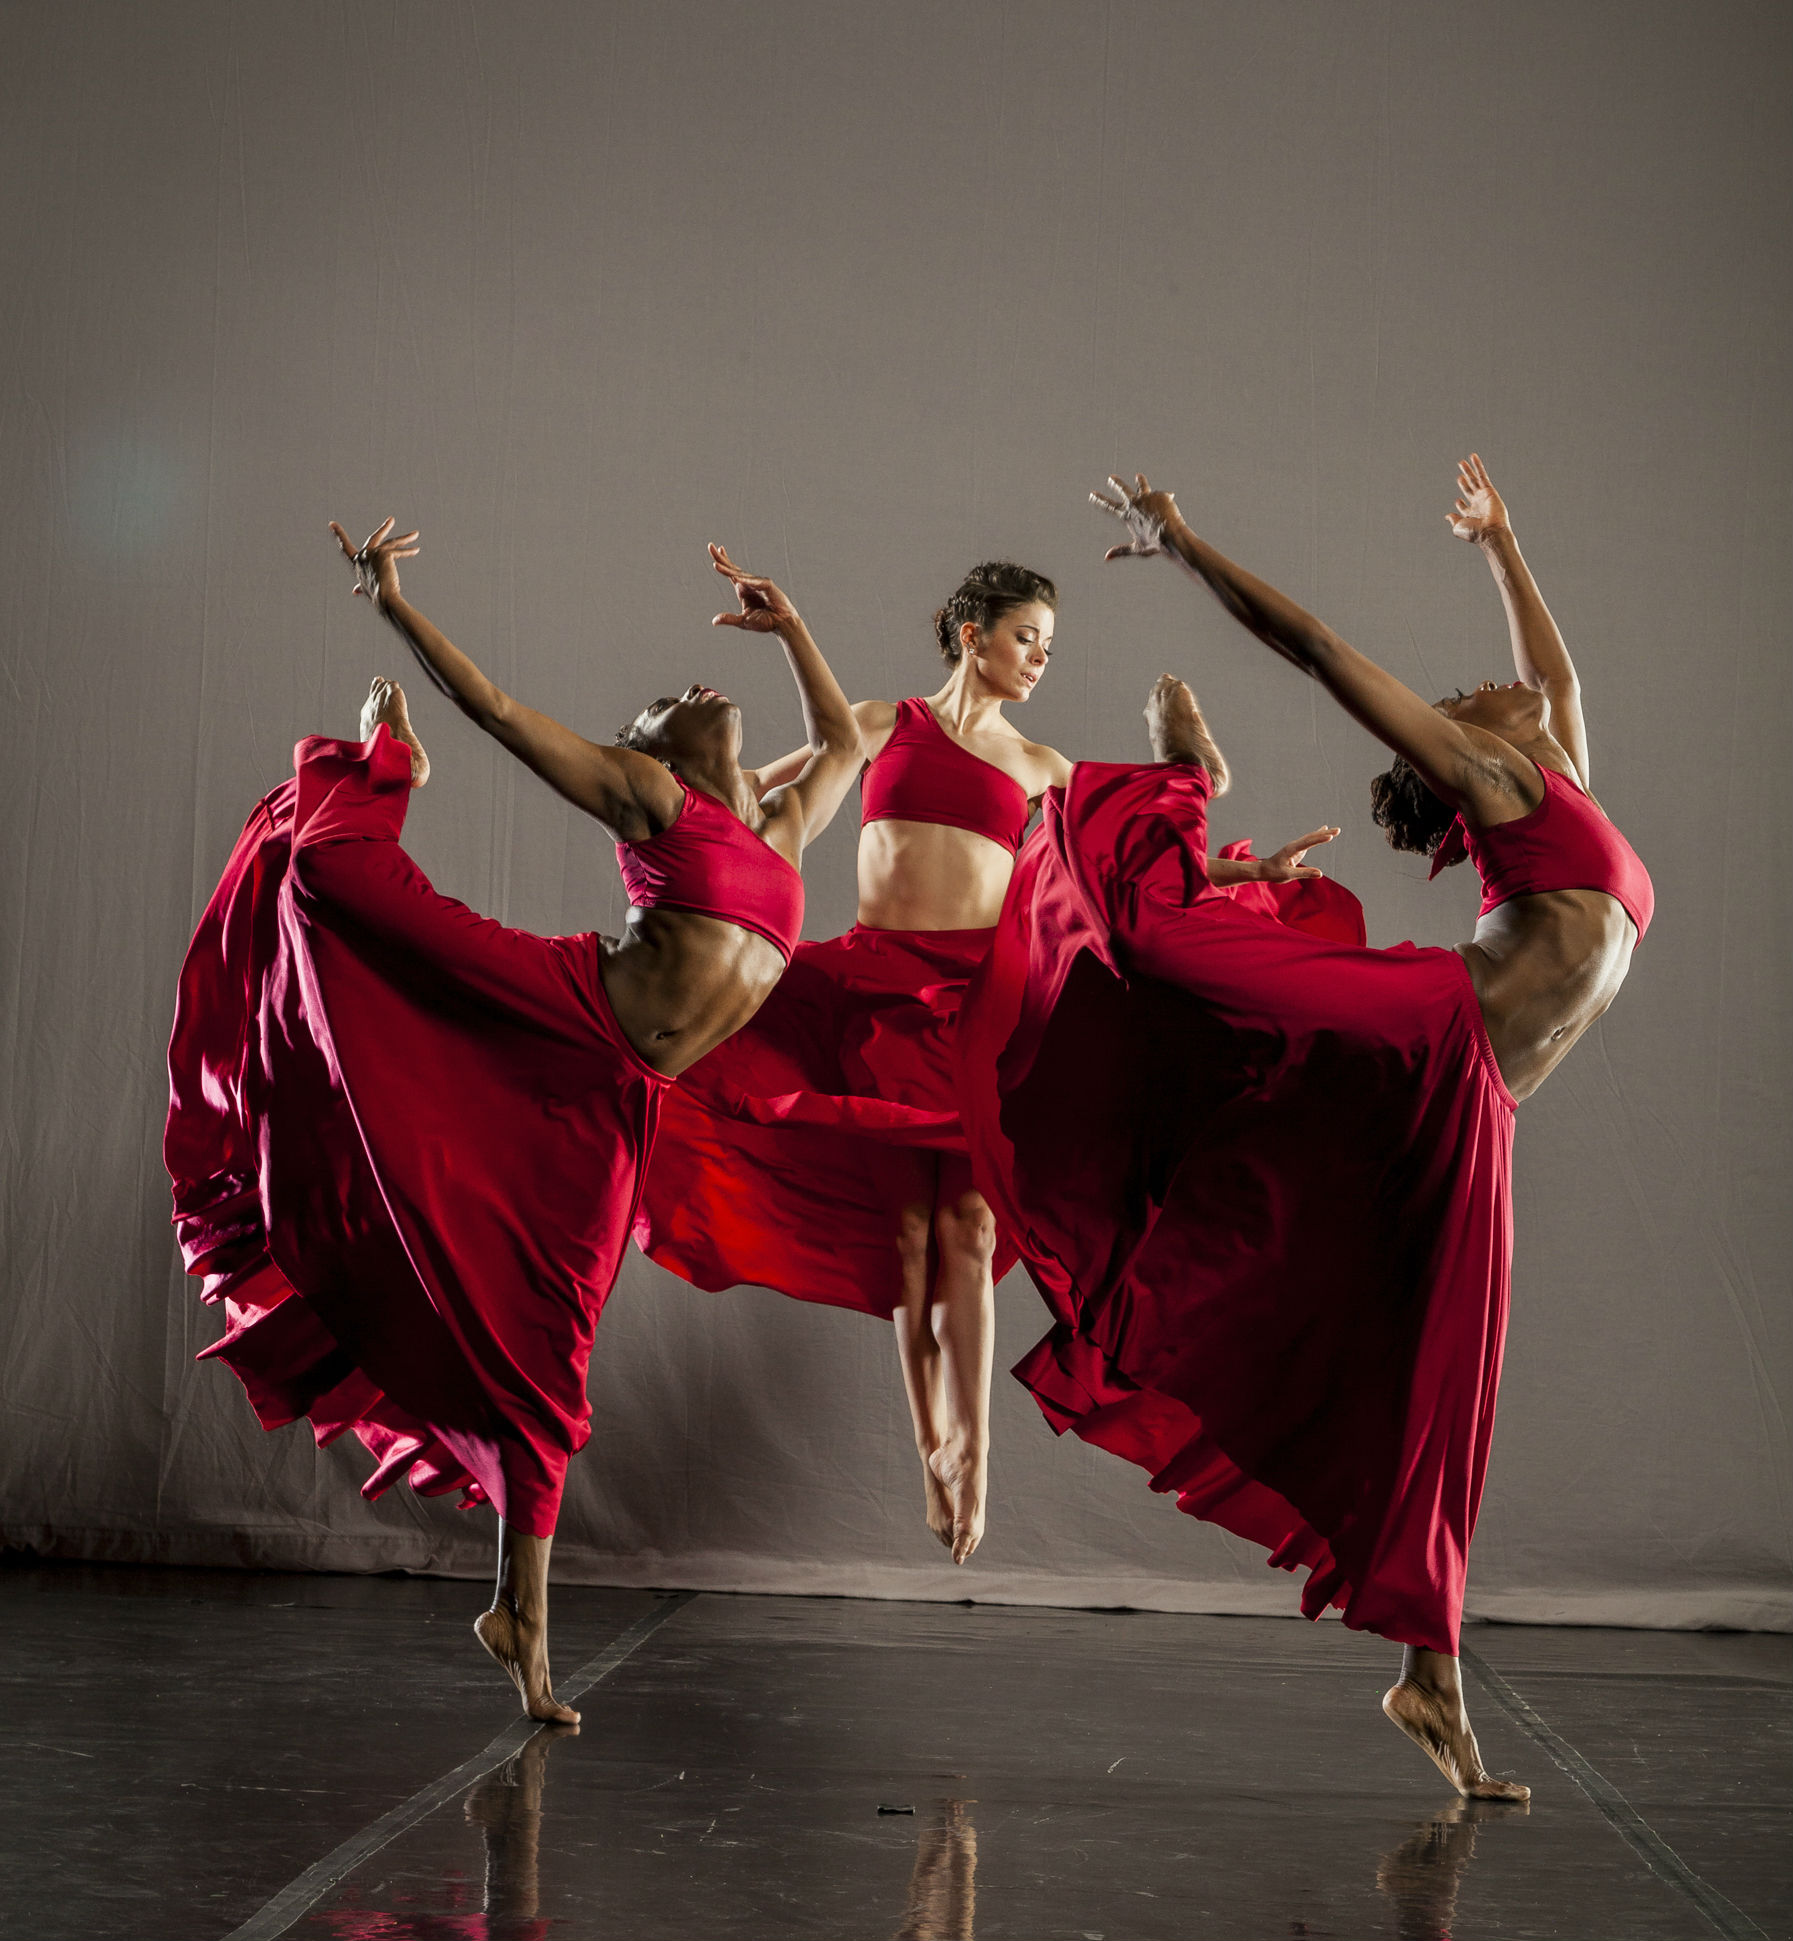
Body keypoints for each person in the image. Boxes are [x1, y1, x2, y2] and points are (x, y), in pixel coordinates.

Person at [956, 457, 1650, 1800]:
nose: (1495, 687)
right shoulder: (1500, 780)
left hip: (1477, 1106)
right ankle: (1174, 786)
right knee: (1168, 955)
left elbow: (1558, 681)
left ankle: (1426, 1676)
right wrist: (1186, 541)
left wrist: (1504, 546)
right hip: (1427, 1029)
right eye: (1468, 699)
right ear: (1467, 747)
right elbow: (1322, 650)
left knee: (1436, 1389)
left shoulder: (1551, 769)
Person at [164, 518, 861, 1723]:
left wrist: (790, 626)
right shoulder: (651, 795)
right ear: (649, 750)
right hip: (565, 1004)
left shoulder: (780, 828)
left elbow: (845, 739)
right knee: (338, 886)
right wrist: (390, 604)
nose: (687, 688)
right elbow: (490, 704)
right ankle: (380, 775)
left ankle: (519, 1624)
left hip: (616, 1093)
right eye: (659, 700)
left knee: (553, 1352)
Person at [634, 564, 1340, 1563]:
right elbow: (769, 784)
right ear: (970, 635)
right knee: (915, 1238)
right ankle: (935, 1455)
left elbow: (1131, 868)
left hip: (976, 1003)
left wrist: (1247, 870)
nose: (1040, 659)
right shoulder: (888, 722)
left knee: (965, 1226)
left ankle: (969, 1459)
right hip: (875, 994)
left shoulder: (1043, 765)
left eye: (1048, 644)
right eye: (1026, 639)